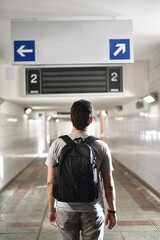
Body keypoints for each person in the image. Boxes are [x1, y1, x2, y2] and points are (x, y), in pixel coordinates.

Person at [45, 99, 117, 240]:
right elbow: (109, 185)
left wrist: (52, 209)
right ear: (90, 120)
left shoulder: (57, 145)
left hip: (65, 208)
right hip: (92, 208)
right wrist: (112, 210)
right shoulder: (101, 146)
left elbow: (50, 183)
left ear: (71, 118)